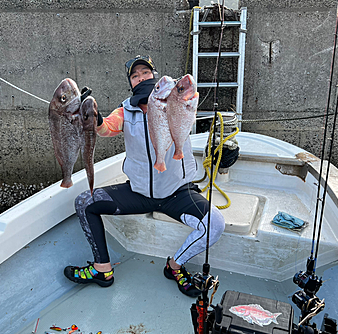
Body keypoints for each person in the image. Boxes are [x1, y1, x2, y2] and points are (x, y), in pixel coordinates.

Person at [64, 55, 225, 297]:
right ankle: (102, 269)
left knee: (215, 225)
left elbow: (188, 98)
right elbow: (105, 127)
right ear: (130, 82)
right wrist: (93, 116)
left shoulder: (173, 103)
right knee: (84, 202)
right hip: (139, 193)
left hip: (176, 192)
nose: (141, 77)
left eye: (145, 73)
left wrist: (181, 92)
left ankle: (175, 266)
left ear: (155, 75)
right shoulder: (125, 111)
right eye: (135, 75)